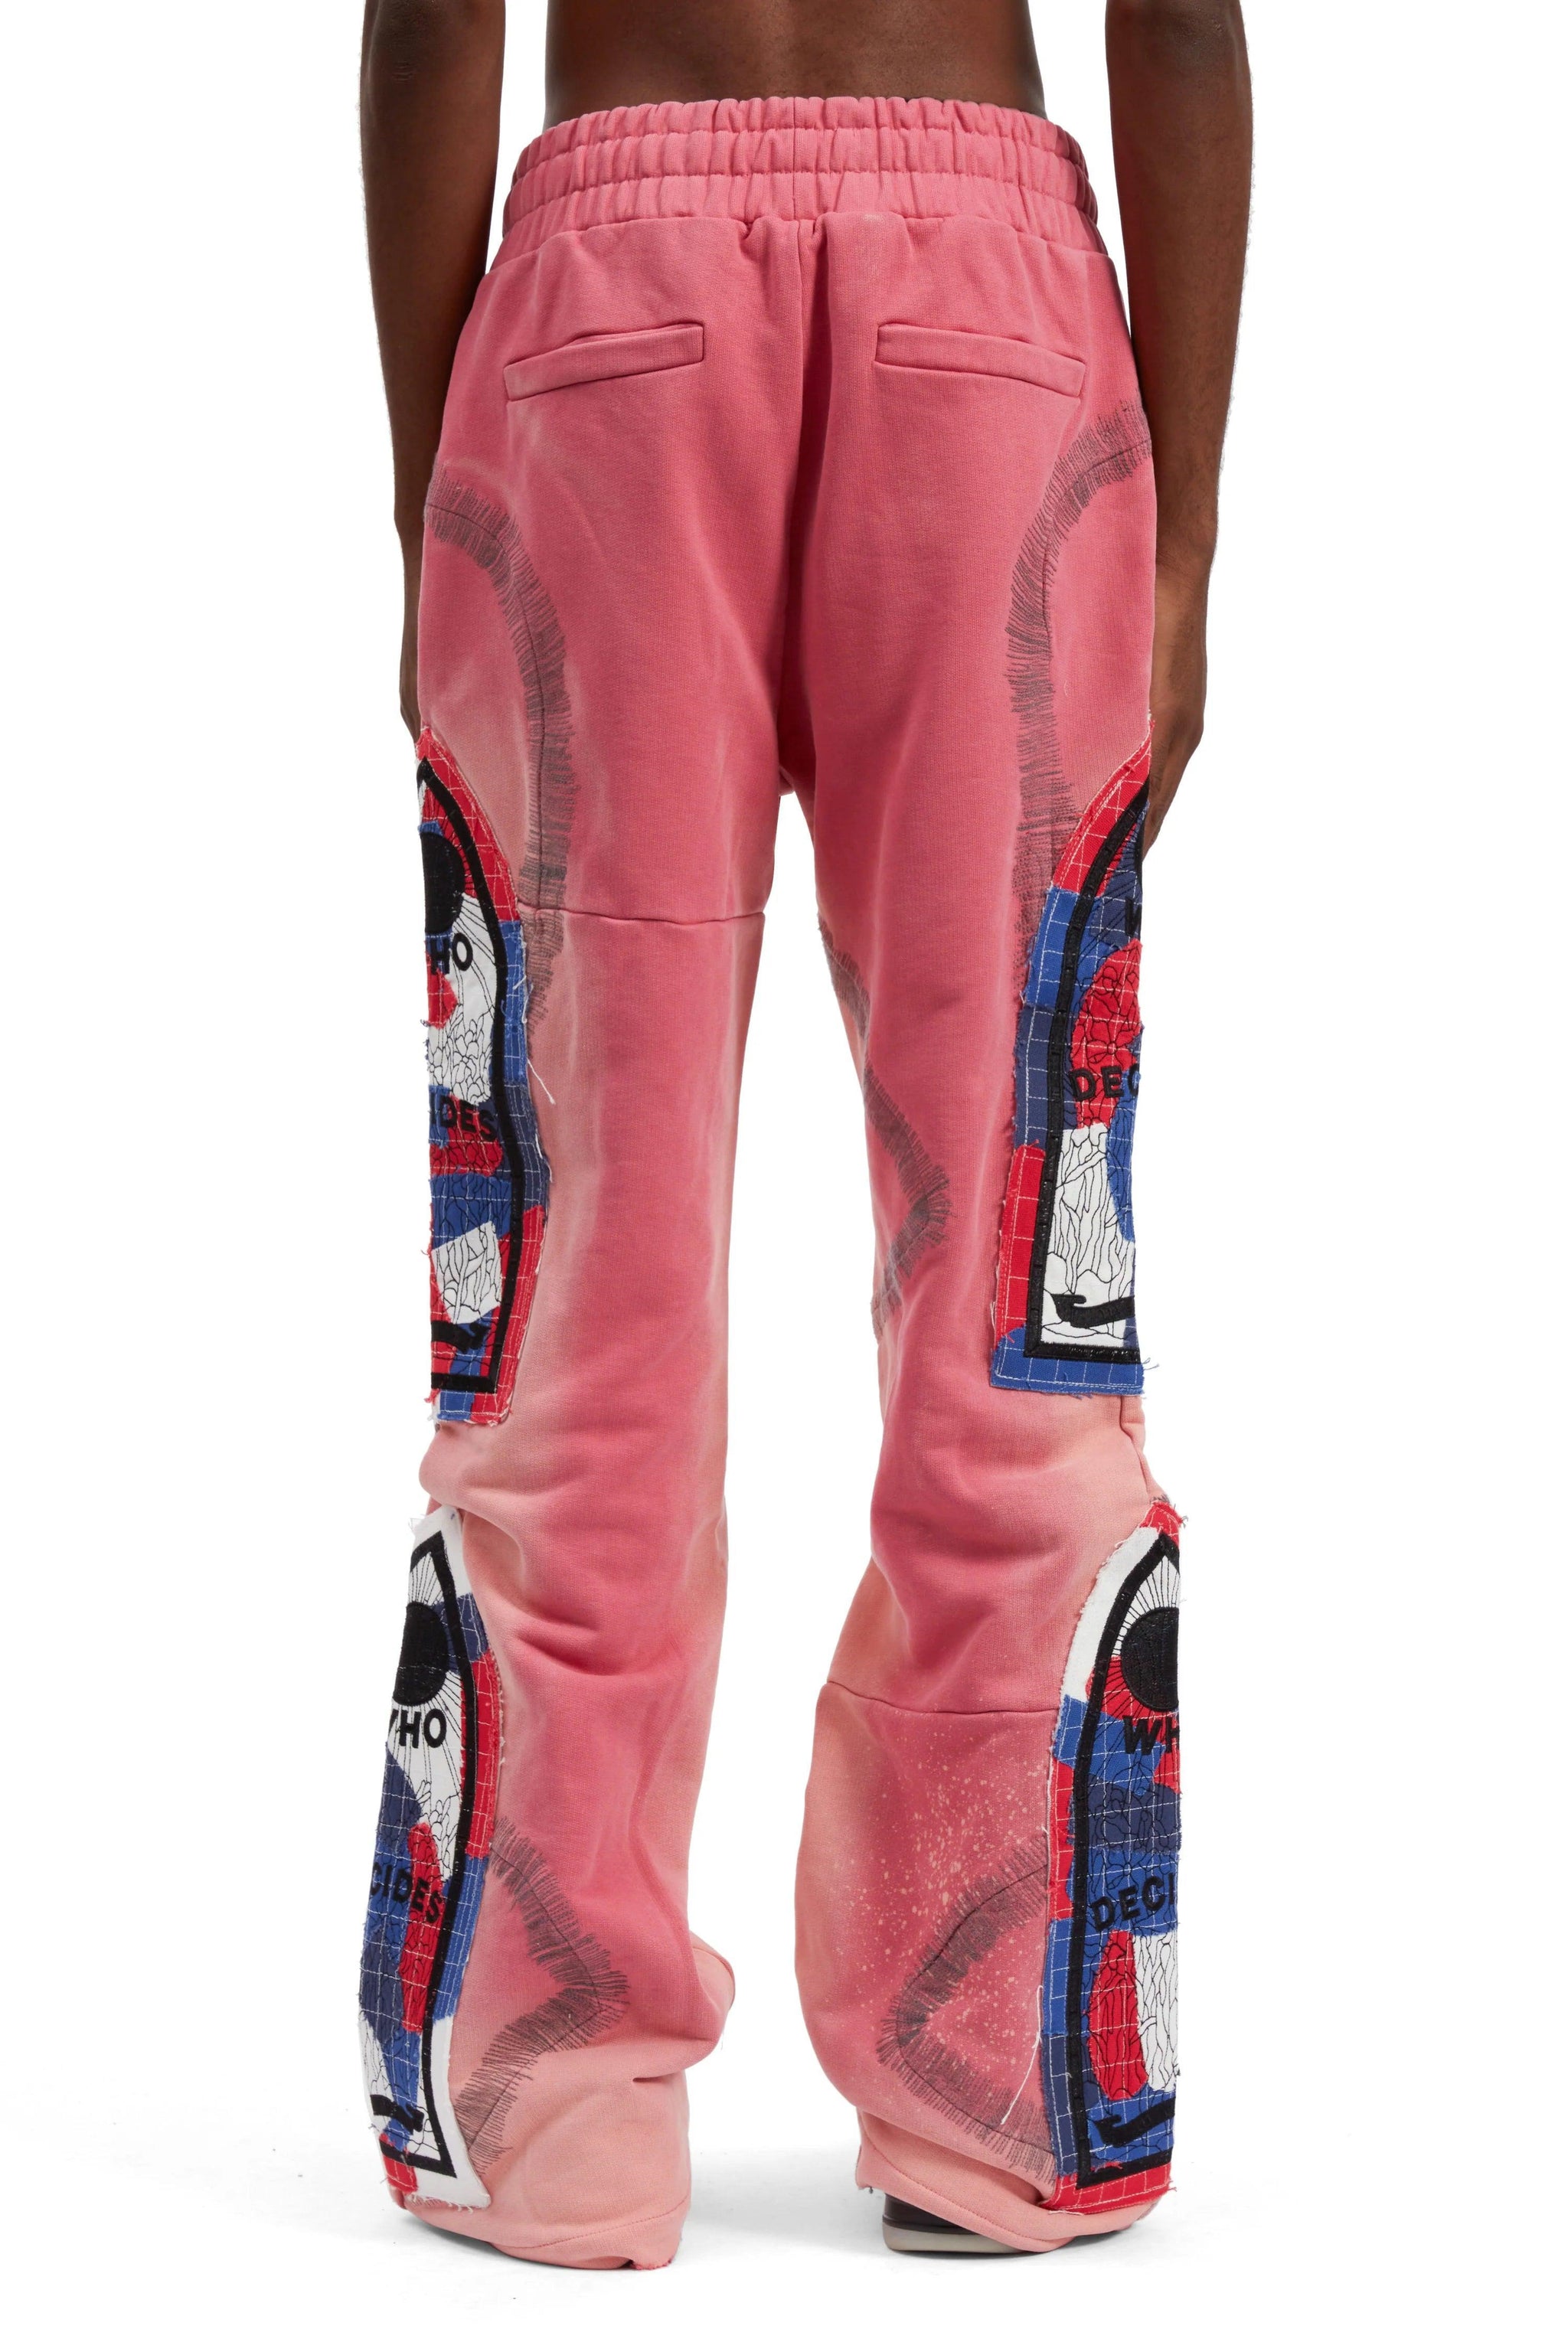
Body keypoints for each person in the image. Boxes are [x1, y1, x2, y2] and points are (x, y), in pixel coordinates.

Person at [357, 0, 1250, 2270]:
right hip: (990, 303)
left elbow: (433, 14)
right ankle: (1002, 2091)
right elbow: (1179, 15)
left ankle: (538, 2087)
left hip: (606, 312)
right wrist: (1186, 551)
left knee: (575, 1268)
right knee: (1018, 1271)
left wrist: (424, 482)